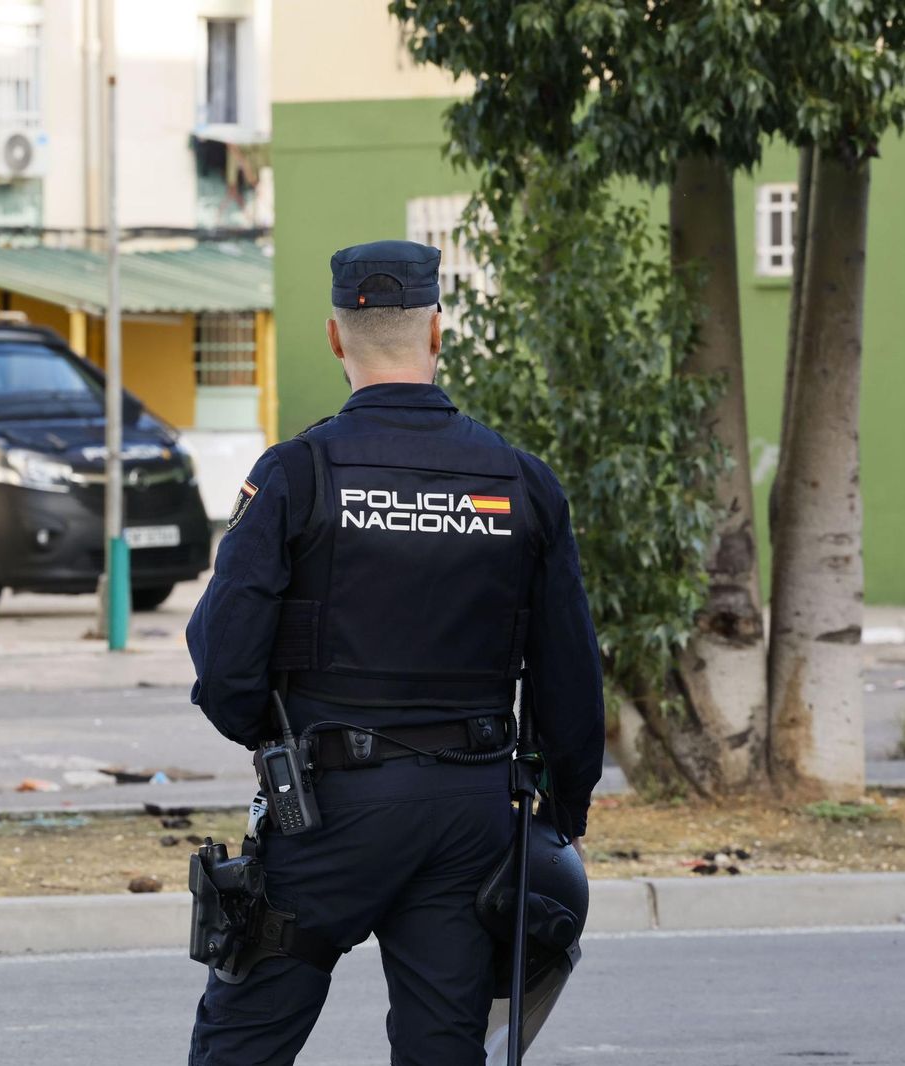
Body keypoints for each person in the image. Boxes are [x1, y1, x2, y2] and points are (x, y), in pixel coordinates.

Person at [185, 240, 606, 1065]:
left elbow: (225, 658)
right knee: (442, 1047)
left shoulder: (296, 475)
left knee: (244, 1040)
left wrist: (269, 745)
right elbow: (570, 673)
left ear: (337, 339)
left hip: (328, 808)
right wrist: (565, 813)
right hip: (470, 817)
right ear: (437, 333)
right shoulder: (521, 483)